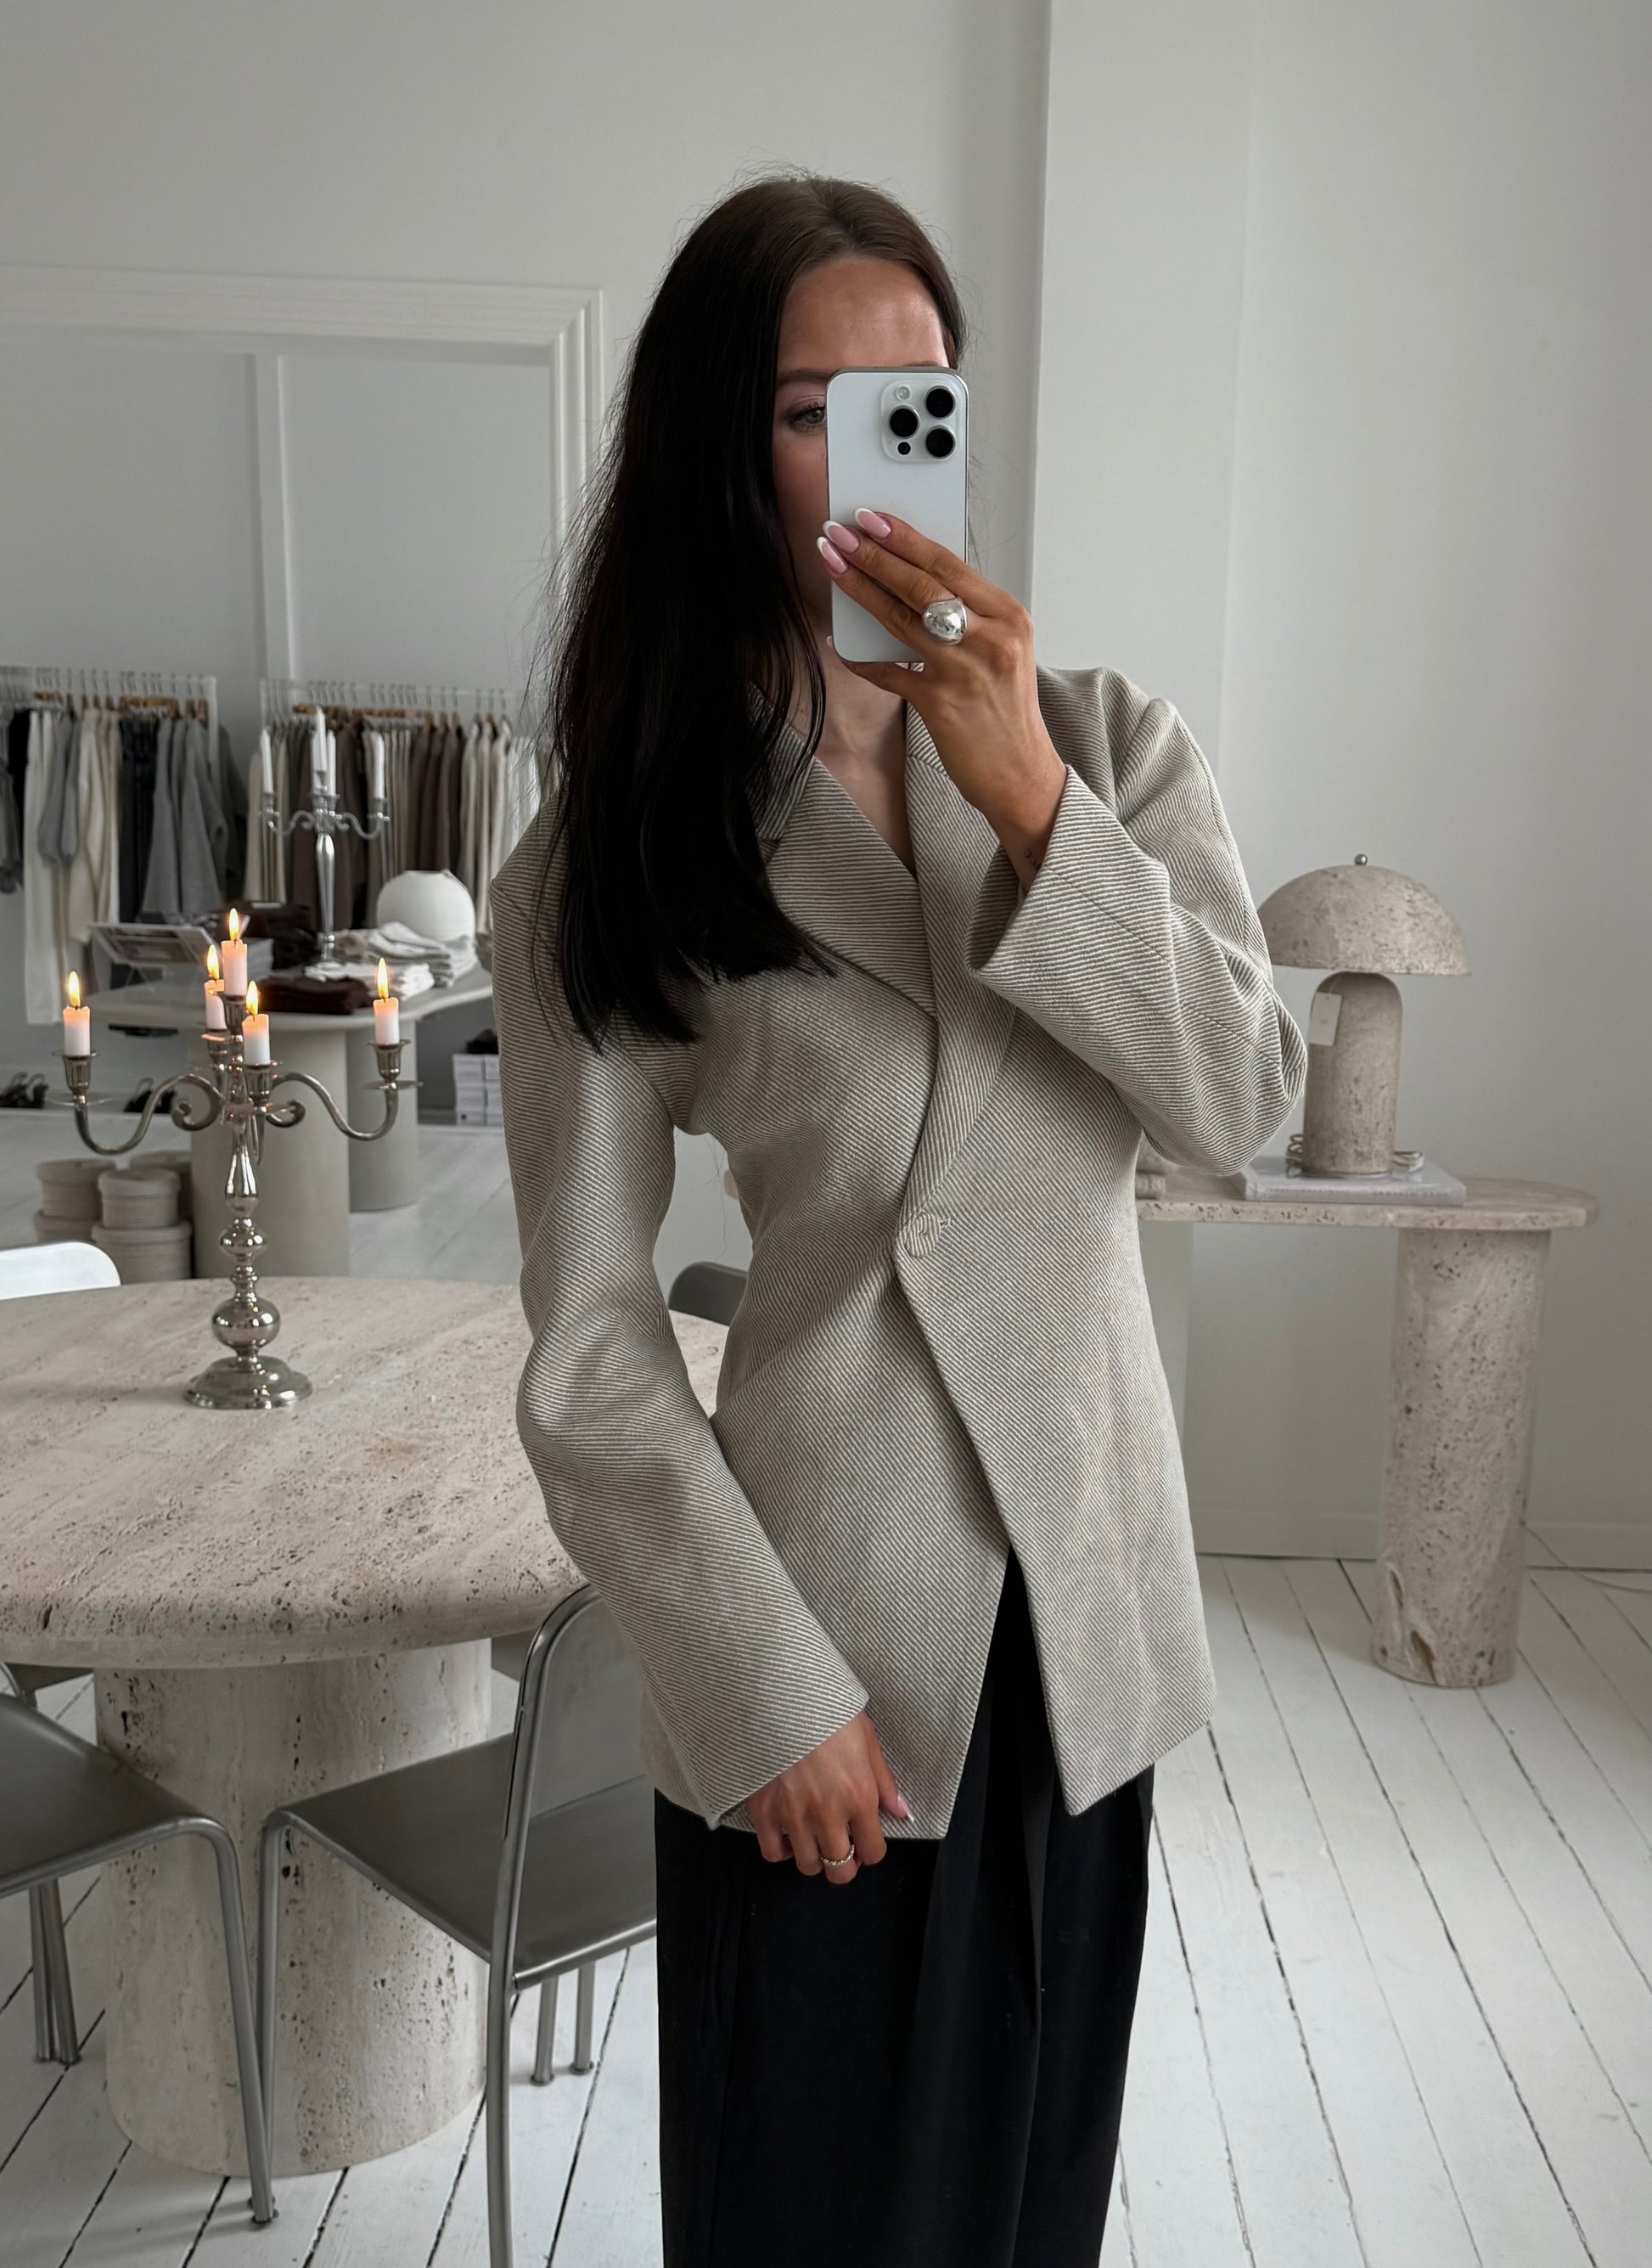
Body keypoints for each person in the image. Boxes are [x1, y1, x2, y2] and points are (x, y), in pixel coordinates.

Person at [491, 173, 1307, 2267]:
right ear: (718, 446)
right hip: (824, 1648)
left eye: (914, 399)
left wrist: (1028, 799)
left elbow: (1242, 1103)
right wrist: (759, 1685)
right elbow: (589, 1342)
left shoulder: (1104, 750)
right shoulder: (614, 842)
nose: (872, 451)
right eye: (810, 409)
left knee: (1028, 2208)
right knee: (806, 2215)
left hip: (1085, 1638)